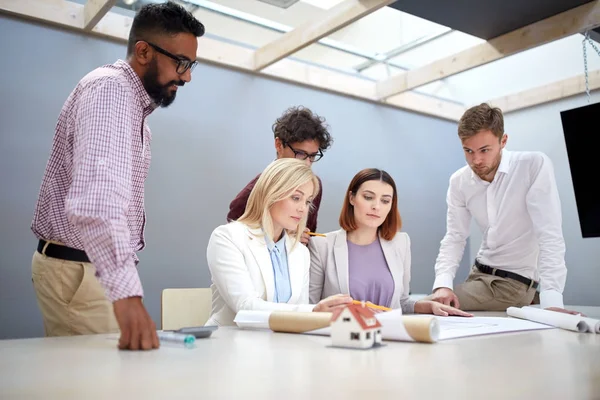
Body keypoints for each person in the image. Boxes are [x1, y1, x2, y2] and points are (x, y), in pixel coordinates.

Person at [30, 1, 205, 350]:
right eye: (181, 63)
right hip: (81, 271)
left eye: (191, 65)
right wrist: (127, 295)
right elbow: (97, 203)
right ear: (143, 51)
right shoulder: (111, 91)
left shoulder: (132, 108)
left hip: (88, 269)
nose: (186, 76)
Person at [429, 103, 579, 314]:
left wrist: (552, 301)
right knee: (440, 302)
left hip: (513, 283)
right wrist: (443, 283)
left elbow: (549, 234)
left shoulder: (533, 165)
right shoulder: (459, 181)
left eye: (484, 150)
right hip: (478, 275)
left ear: (503, 141)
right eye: (468, 151)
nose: (476, 160)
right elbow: (455, 237)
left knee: (427, 307)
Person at [206, 158, 352, 326]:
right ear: (271, 193)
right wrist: (313, 311)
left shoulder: (300, 252)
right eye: (296, 198)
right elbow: (245, 307)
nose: (303, 209)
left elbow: (300, 316)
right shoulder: (227, 237)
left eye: (307, 201)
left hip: (281, 347)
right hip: (227, 346)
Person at [309, 168, 471, 317]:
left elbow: (400, 302)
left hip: (390, 337)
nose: (376, 206)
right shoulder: (321, 246)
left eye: (385, 201)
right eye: (368, 197)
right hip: (342, 336)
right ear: (352, 198)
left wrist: (427, 307)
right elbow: (309, 306)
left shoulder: (401, 243)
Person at [227, 106, 333, 245]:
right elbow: (236, 236)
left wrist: (303, 239)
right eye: (300, 153)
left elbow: (309, 233)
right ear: (278, 144)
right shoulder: (254, 190)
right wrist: (281, 238)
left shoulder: (313, 185)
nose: (307, 163)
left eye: (312, 156)